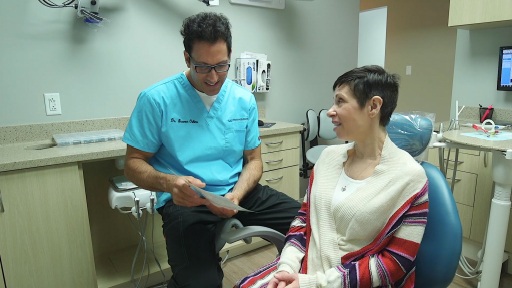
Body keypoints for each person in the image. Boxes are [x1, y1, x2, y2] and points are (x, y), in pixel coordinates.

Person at [122, 12, 301, 288]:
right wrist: (171, 183)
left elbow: (253, 161)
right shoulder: (156, 100)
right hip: (186, 202)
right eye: (203, 67)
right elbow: (133, 162)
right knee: (199, 282)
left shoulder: (243, 100)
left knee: (311, 226)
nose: (213, 77)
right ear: (187, 59)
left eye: (221, 66)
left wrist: (237, 195)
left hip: (239, 193)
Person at [236, 65, 429, 288]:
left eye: (340, 101)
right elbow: (302, 221)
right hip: (304, 271)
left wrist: (310, 284)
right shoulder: (327, 159)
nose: (330, 111)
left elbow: (394, 263)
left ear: (373, 106)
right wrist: (286, 268)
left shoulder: (410, 178)